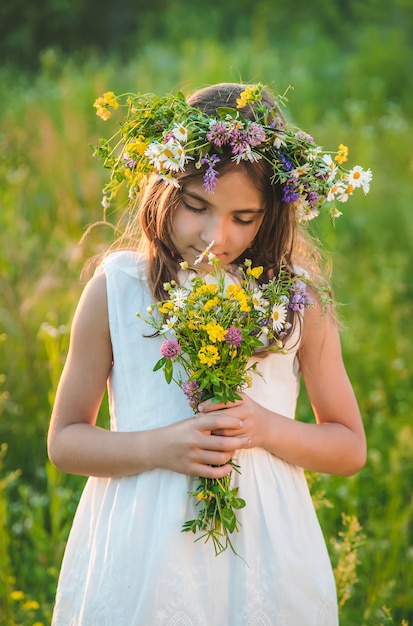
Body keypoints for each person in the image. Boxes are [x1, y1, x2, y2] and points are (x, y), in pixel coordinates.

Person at [48, 82, 369, 625]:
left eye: (244, 218)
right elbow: (65, 442)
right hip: (143, 544)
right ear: (163, 186)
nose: (215, 235)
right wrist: (160, 447)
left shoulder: (297, 298)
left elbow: (348, 447)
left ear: (273, 213)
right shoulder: (119, 287)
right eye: (196, 205)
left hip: (265, 548)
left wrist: (264, 427)